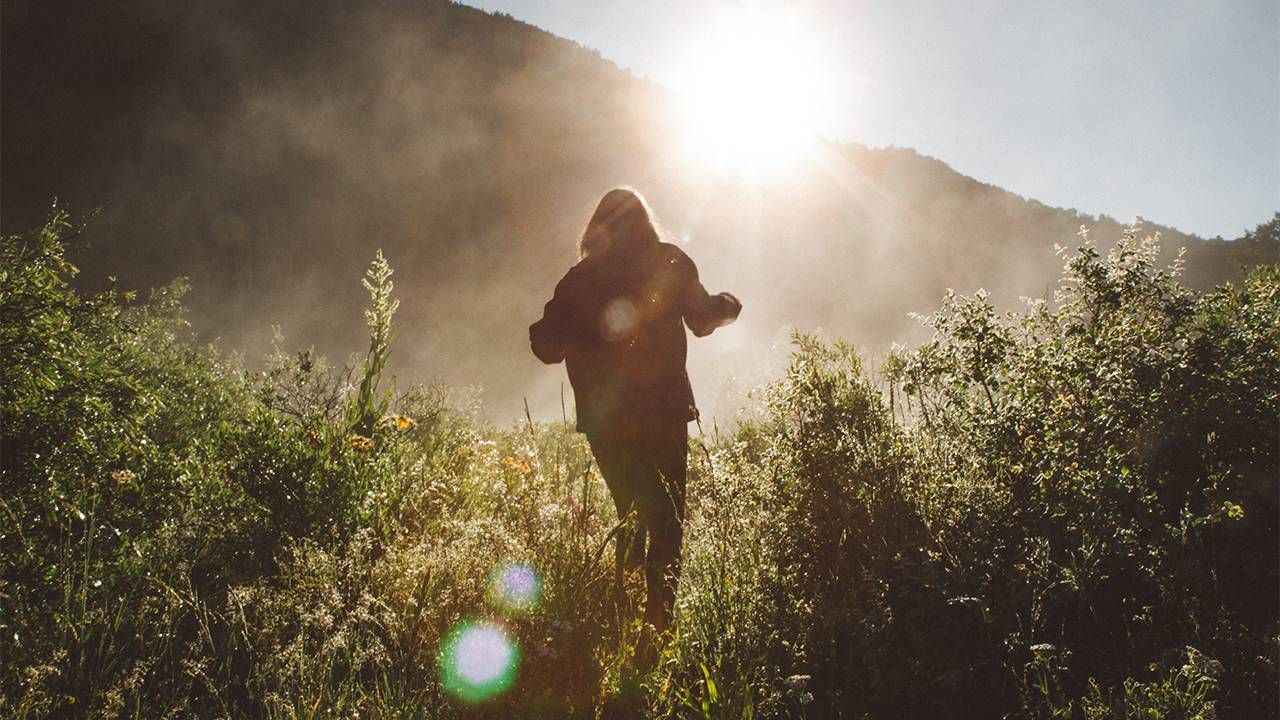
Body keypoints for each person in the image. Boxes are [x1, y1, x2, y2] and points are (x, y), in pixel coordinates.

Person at [529, 188, 741, 634]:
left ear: (596, 228)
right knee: (667, 520)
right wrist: (729, 306)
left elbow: (547, 346)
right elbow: (703, 320)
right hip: (663, 411)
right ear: (645, 222)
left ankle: (622, 616)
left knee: (630, 510)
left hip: (605, 420)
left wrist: (564, 329)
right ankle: (657, 627)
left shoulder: (578, 279)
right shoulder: (669, 261)